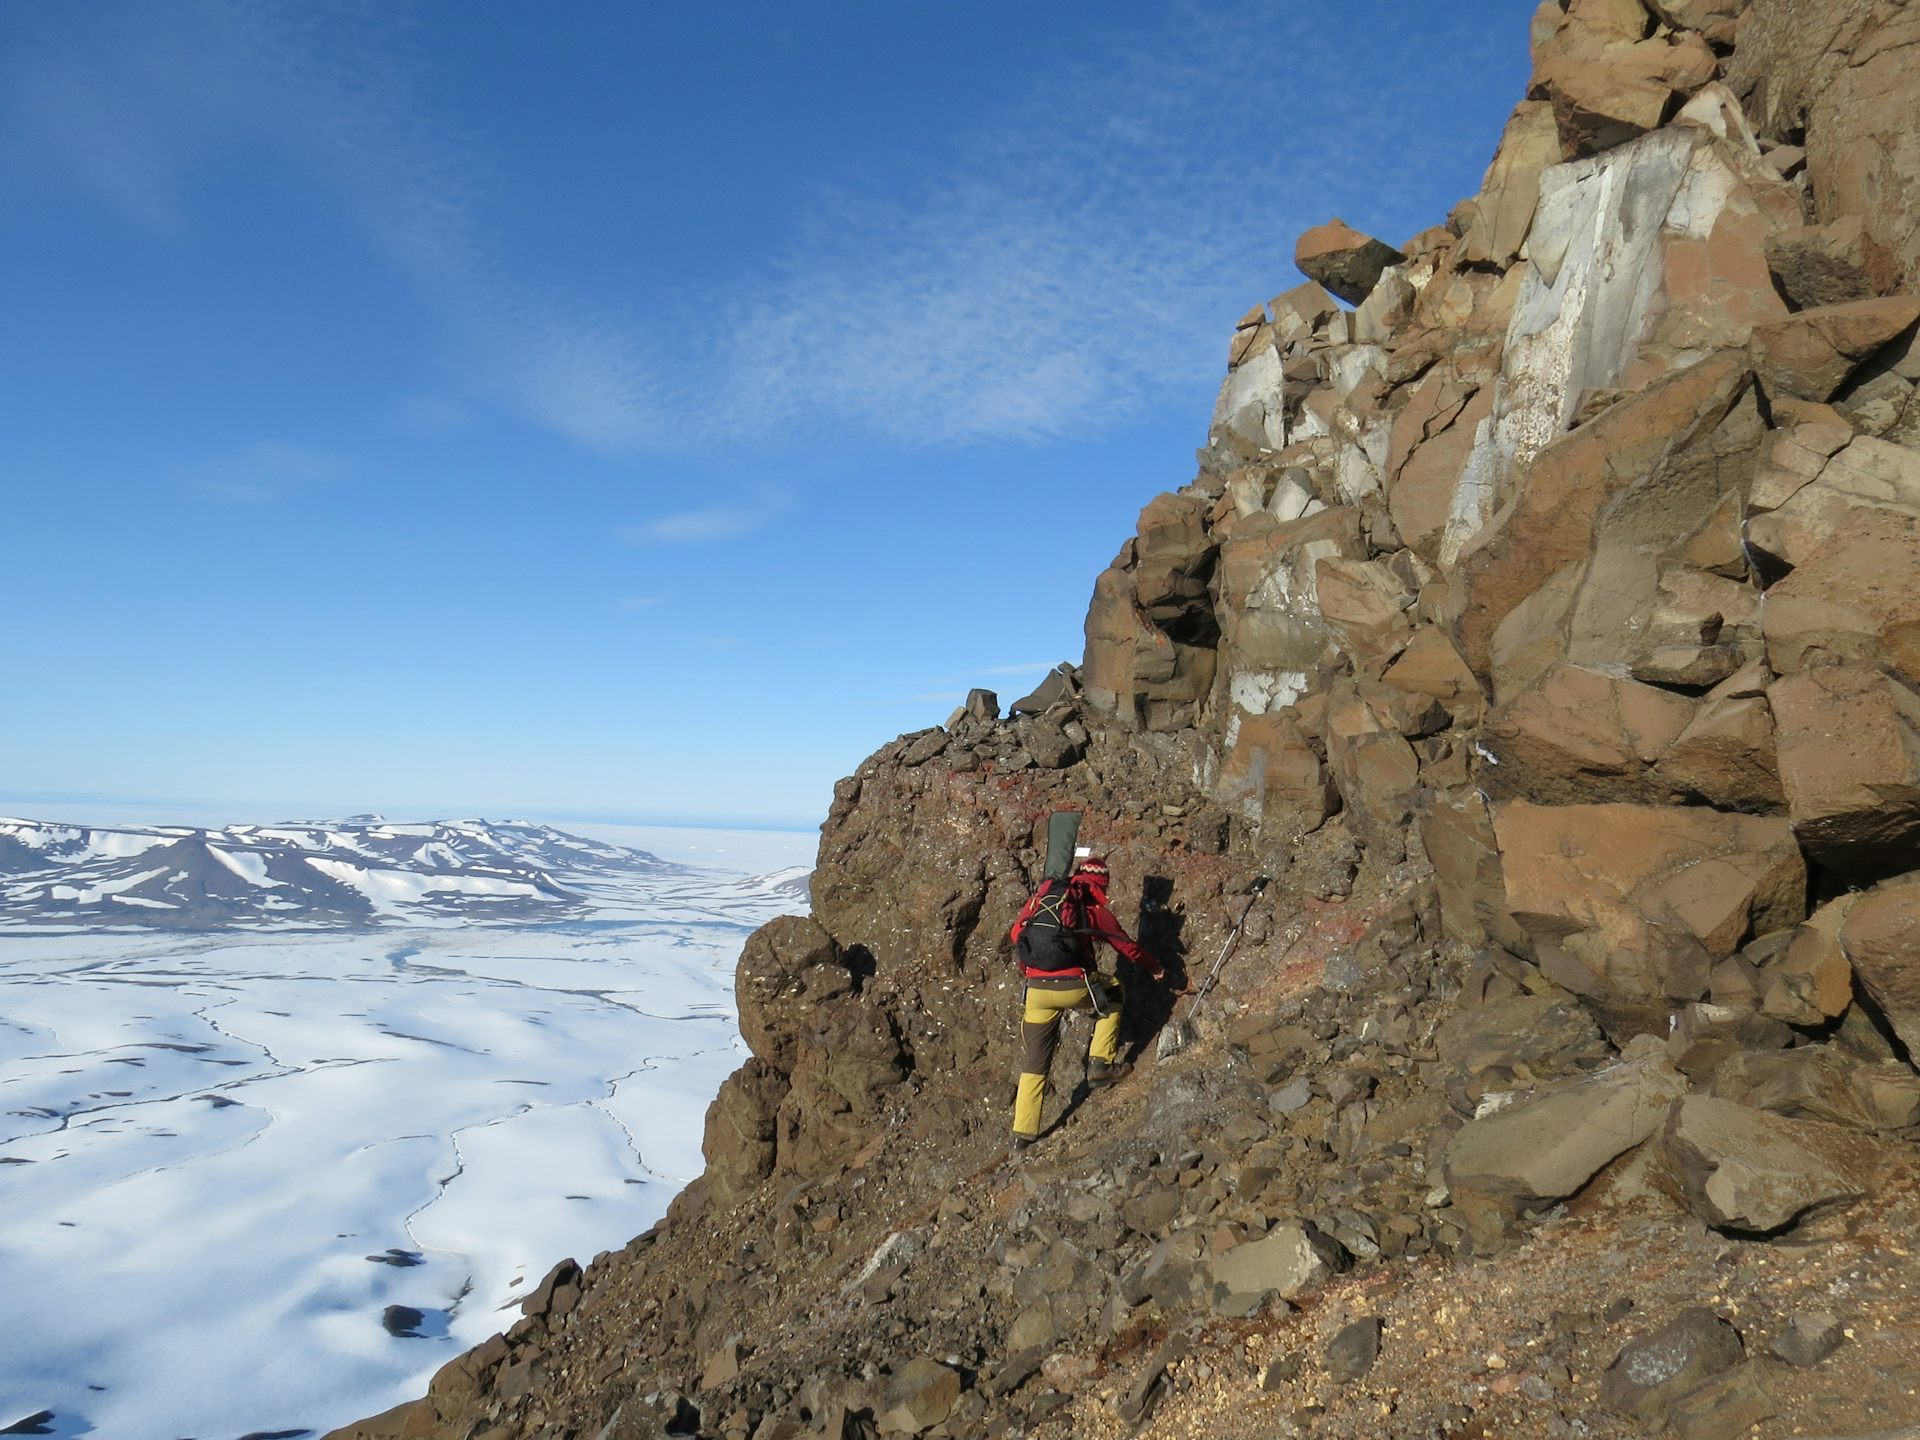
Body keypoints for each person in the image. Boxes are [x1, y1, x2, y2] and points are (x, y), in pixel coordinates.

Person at [1007, 856, 1163, 1149]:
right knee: (1114, 992)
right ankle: (1100, 1066)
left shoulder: (1040, 903)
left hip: (1036, 990)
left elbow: (1017, 935)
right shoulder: (1092, 910)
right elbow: (1127, 947)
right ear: (1100, 884)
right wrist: (1156, 968)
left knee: (1036, 1060)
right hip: (1073, 986)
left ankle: (1022, 1134)